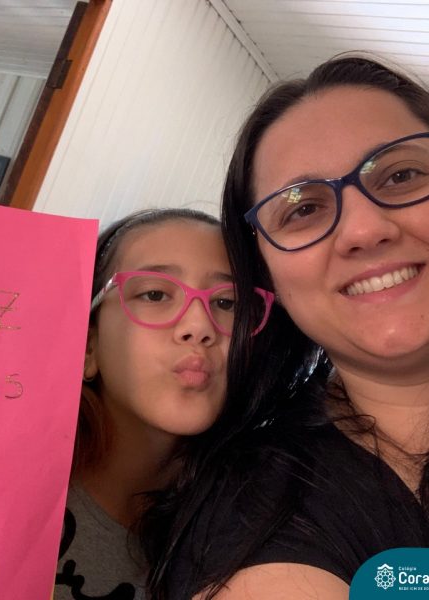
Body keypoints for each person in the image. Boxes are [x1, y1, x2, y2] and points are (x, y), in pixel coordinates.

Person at [145, 55, 429, 600]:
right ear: (267, 276)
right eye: (301, 209)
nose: (364, 230)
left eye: (401, 176)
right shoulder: (260, 513)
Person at [54, 208, 274, 600]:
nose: (199, 327)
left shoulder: (255, 532)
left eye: (227, 303)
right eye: (155, 294)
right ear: (88, 347)